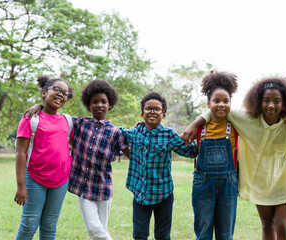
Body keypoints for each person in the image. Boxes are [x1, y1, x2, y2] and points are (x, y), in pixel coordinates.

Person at [181, 77, 286, 240]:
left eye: (277, 101)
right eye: (266, 100)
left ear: (285, 104)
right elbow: (219, 108)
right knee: (267, 225)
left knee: (282, 225)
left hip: (285, 183)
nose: (271, 105)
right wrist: (194, 124)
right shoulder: (246, 120)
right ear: (258, 101)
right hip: (261, 184)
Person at [24, 79, 129, 240]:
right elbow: (54, 116)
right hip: (83, 187)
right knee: (95, 229)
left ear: (110, 105)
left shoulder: (117, 132)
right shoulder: (79, 123)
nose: (99, 105)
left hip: (104, 188)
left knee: (100, 230)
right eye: (94, 102)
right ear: (88, 105)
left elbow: (130, 150)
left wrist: (144, 126)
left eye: (103, 102)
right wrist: (39, 106)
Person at [120, 92, 198, 240]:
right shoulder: (134, 133)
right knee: (139, 234)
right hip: (140, 194)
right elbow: (117, 136)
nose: (152, 111)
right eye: (148, 108)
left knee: (163, 235)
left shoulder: (168, 135)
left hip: (163, 194)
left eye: (157, 109)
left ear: (163, 114)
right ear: (142, 113)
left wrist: (201, 134)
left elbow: (189, 151)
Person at [15, 75, 74, 239]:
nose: (61, 94)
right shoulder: (30, 118)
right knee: (29, 223)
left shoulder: (68, 121)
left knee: (50, 225)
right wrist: (21, 185)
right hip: (34, 178)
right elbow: (20, 153)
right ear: (43, 92)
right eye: (56, 89)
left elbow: (90, 123)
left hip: (61, 180)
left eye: (65, 93)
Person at [192, 71, 239, 240]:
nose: (221, 105)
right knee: (203, 232)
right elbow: (186, 146)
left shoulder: (236, 125)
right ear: (208, 103)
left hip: (229, 184)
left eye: (226, 101)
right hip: (202, 184)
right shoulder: (198, 127)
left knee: (225, 234)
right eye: (216, 101)